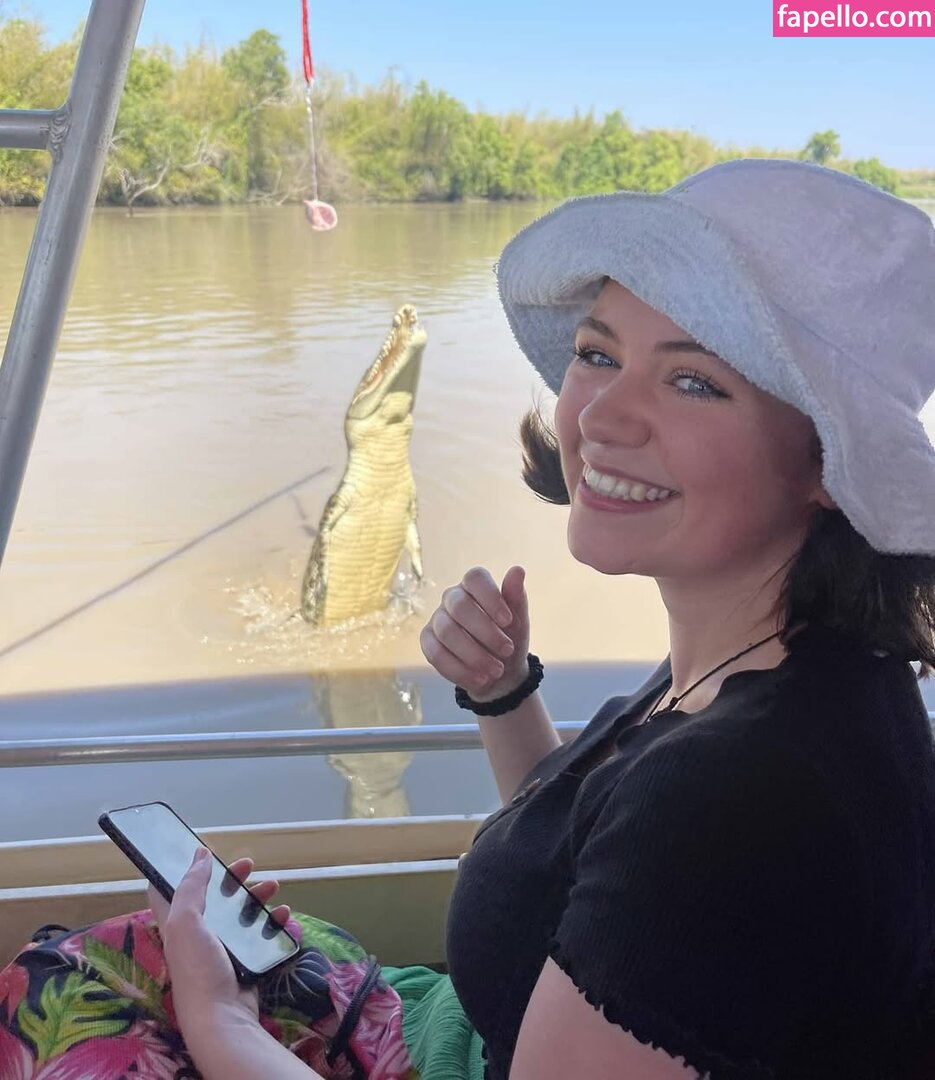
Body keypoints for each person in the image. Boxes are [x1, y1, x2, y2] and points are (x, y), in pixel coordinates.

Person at [2, 158, 934, 1080]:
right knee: (112, 959)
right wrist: (503, 693)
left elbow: (670, 858)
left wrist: (224, 1028)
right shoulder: (777, 662)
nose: (601, 417)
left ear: (828, 466)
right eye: (598, 355)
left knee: (50, 1003)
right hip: (475, 1023)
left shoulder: (739, 794)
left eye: (693, 382)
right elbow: (590, 862)